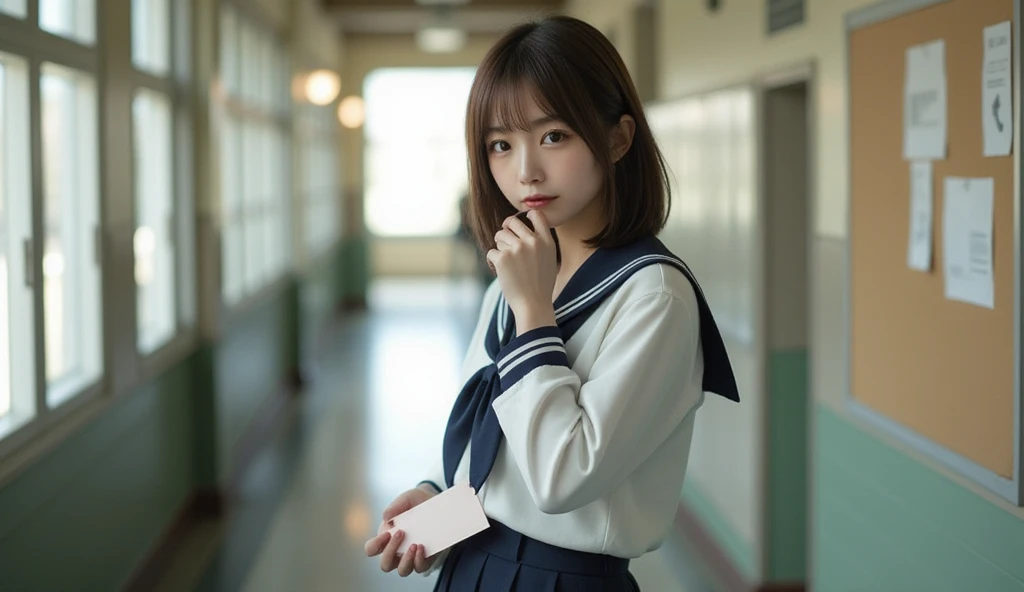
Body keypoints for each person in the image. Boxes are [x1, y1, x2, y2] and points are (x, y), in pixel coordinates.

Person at [365, 15, 739, 591]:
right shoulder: (510, 279)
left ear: (617, 138)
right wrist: (436, 506)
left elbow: (562, 479)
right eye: (500, 144)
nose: (525, 170)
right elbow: (502, 461)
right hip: (471, 566)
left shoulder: (654, 295)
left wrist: (534, 315)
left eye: (554, 135)